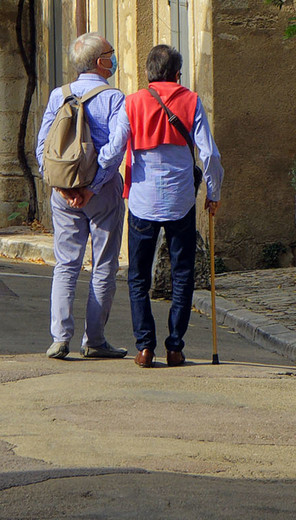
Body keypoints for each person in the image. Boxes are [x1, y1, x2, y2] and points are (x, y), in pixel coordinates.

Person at [123, 42, 222, 368]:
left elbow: (113, 150)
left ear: (149, 74)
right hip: (181, 199)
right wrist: (214, 192)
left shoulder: (132, 103)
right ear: (177, 74)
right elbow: (209, 154)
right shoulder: (191, 101)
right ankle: (176, 347)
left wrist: (97, 184)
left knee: (138, 277)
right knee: (182, 275)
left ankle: (145, 347)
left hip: (141, 200)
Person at [34, 31, 129, 359]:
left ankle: (60, 338)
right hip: (101, 194)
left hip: (63, 195)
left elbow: (42, 148)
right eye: (110, 53)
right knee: (103, 265)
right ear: (102, 62)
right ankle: (95, 341)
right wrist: (94, 186)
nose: (113, 57)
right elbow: (117, 146)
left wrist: (62, 187)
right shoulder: (114, 98)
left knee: (66, 264)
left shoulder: (57, 96)